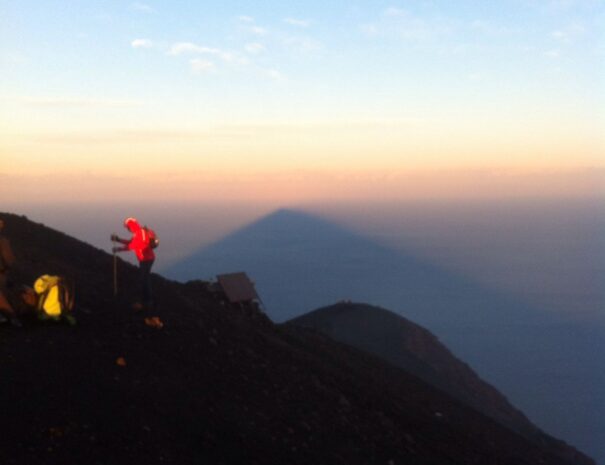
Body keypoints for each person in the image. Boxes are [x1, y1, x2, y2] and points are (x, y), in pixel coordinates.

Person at [111, 217, 155, 310]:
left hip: (147, 259)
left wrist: (119, 249)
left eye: (128, 227)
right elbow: (131, 243)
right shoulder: (138, 233)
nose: (128, 229)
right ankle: (146, 301)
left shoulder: (141, 233)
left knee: (144, 280)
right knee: (144, 279)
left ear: (131, 226)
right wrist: (118, 240)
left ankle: (147, 302)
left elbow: (134, 245)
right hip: (145, 259)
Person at [0, 219, 22, 327]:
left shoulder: (3, 241)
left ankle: (9, 315)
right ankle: (10, 315)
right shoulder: (3, 241)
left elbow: (9, 261)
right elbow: (10, 261)